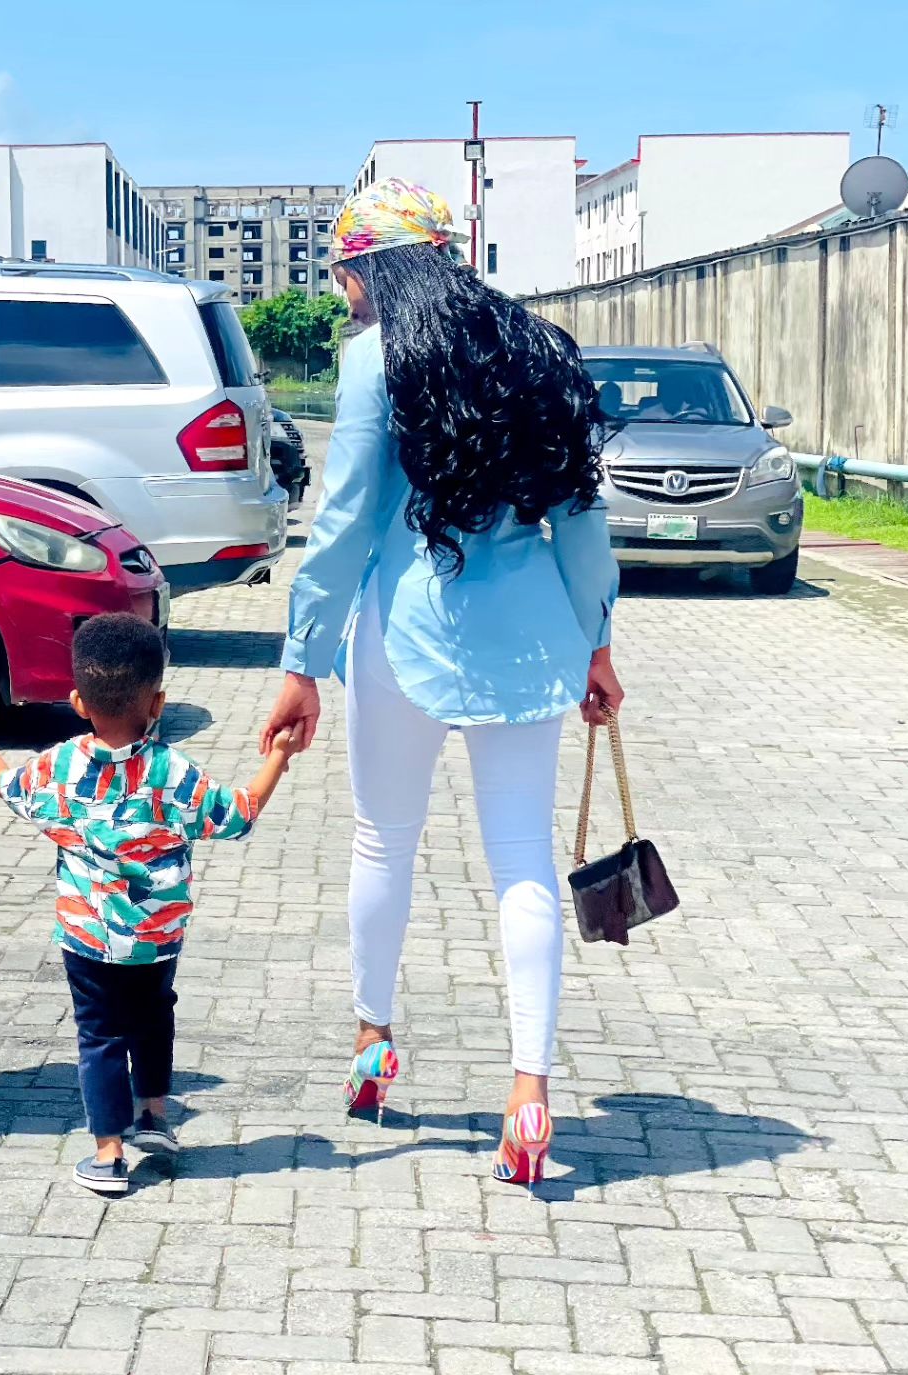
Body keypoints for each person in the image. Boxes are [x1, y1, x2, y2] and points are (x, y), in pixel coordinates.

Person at [259, 178, 623, 1189]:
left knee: (384, 838)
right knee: (523, 859)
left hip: (405, 631)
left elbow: (341, 524)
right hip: (534, 638)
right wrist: (597, 644)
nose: (342, 294)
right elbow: (581, 519)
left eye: (345, 274)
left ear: (372, 269)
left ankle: (373, 1045)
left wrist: (303, 662)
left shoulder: (373, 359)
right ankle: (530, 1094)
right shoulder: (537, 351)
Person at [0, 613, 307, 1196]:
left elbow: (7, 785)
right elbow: (237, 814)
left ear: (78, 702)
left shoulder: (61, 766)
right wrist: (280, 758)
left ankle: (109, 1155)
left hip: (87, 939)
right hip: (157, 938)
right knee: (154, 1016)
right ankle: (154, 1117)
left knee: (99, 1037)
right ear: (158, 702)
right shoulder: (173, 772)